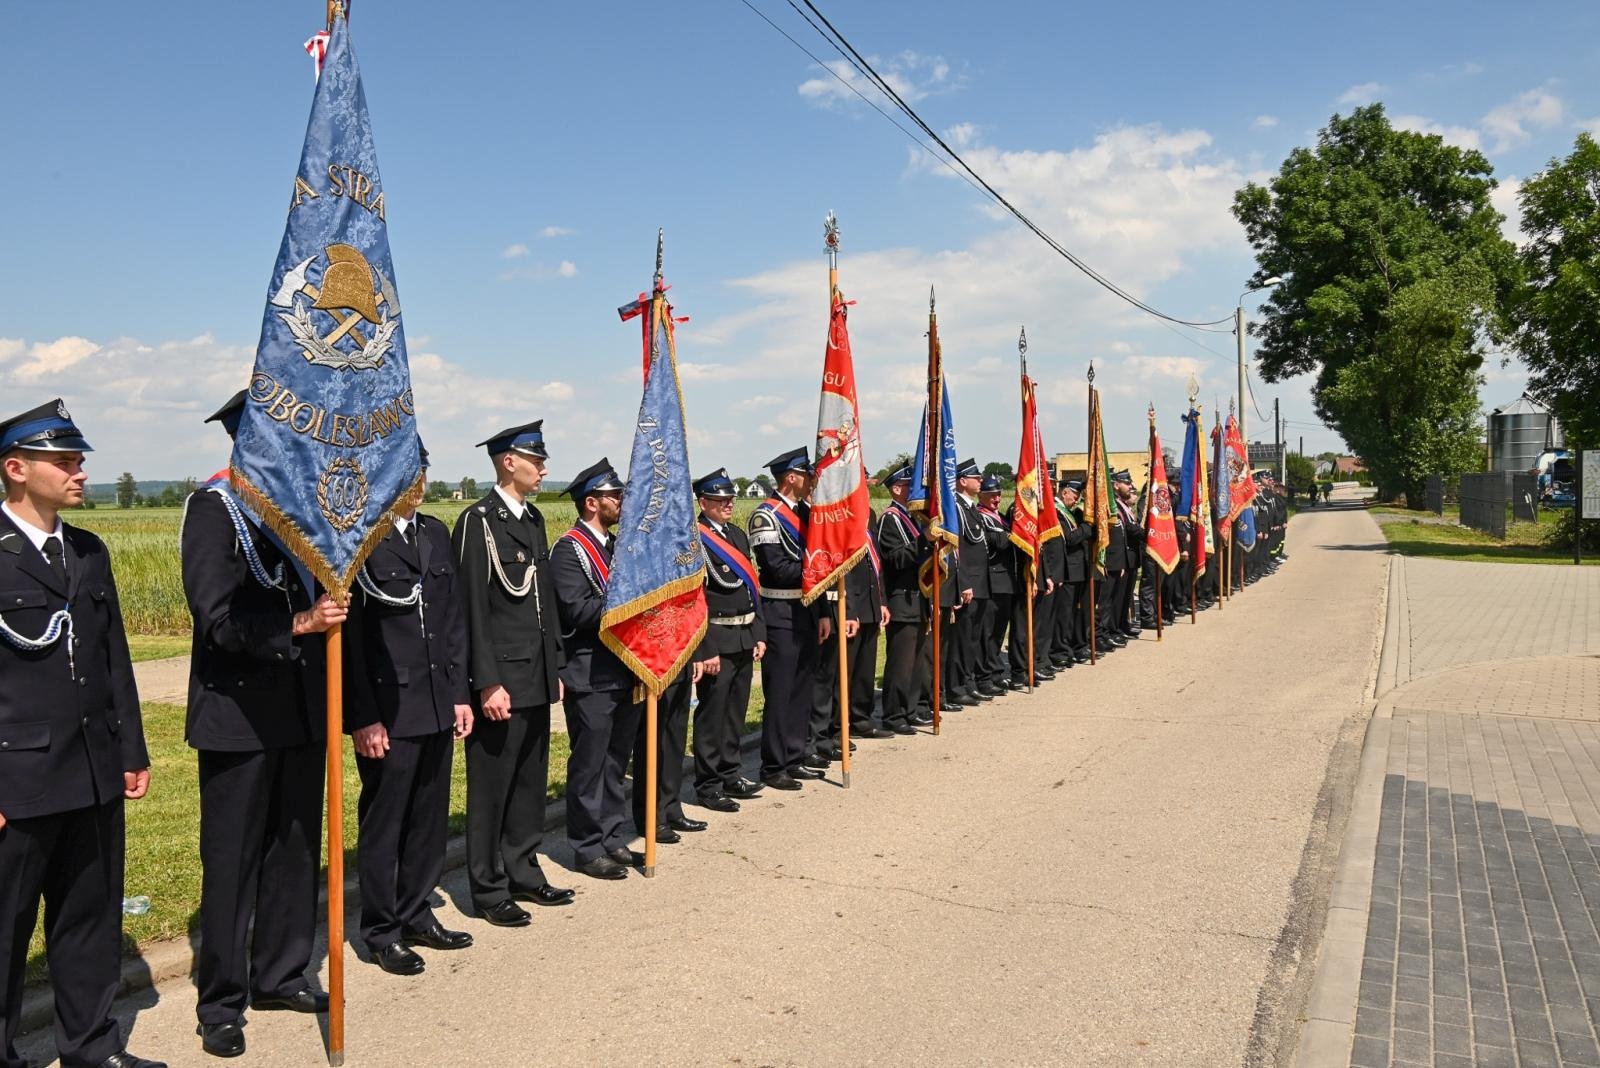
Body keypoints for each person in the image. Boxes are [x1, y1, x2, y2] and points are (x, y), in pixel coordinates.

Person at [0, 401, 163, 1068]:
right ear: (16, 469)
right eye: (63, 460)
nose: (79, 470)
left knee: (89, 921)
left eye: (78, 459)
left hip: (93, 770)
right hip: (20, 779)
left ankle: (92, 1047)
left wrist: (131, 751)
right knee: (5, 931)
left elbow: (112, 660)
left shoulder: (88, 551)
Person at [181, 393, 337, 1058]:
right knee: (233, 863)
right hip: (238, 717)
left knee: (294, 853)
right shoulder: (214, 509)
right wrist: (298, 624)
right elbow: (216, 616)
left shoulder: (296, 515)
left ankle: (281, 972)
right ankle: (222, 1001)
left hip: (299, 713)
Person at [343, 442, 475, 978]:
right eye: (406, 472)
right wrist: (363, 716)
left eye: (421, 470)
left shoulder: (434, 534)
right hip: (390, 708)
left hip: (438, 700)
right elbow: (351, 641)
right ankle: (381, 930)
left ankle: (418, 912)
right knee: (385, 822)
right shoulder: (360, 541)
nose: (417, 481)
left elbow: (453, 622)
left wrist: (461, 693)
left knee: (428, 818)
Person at [452, 421, 569, 928]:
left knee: (528, 781)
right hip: (501, 679)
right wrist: (485, 681)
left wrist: (555, 665)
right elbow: (472, 609)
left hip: (536, 675)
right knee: (492, 787)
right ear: (508, 462)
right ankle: (488, 886)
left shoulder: (535, 518)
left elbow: (544, 604)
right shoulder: (478, 523)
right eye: (534, 459)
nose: (543, 467)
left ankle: (523, 868)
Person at [551, 459, 643, 879]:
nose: (621, 501)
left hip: (623, 668)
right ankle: (587, 848)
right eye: (614, 496)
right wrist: (628, 606)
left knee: (614, 760)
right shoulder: (569, 549)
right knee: (589, 763)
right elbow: (576, 611)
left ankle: (610, 835)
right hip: (590, 671)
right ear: (592, 502)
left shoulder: (614, 546)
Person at [749, 448, 830, 789]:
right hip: (781, 613)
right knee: (780, 693)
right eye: (808, 475)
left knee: (802, 690)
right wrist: (817, 568)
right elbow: (777, 569)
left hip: (809, 611)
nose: (813, 481)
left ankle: (795, 756)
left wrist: (824, 612)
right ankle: (773, 764)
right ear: (792, 478)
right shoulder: (765, 516)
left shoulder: (808, 513)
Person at [690, 470, 767, 810]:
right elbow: (694, 600)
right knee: (712, 715)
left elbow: (752, 587)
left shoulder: (736, 535)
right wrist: (705, 649)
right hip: (716, 638)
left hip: (743, 633)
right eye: (720, 500)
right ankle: (708, 784)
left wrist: (758, 633)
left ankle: (731, 772)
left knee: (735, 711)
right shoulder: (694, 539)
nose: (728, 505)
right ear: (703, 502)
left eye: (730, 499)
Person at [876, 468, 932, 734]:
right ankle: (894, 714)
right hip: (901, 599)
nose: (915, 491)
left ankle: (910, 709)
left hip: (918, 598)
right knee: (901, 662)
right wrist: (923, 541)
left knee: (917, 660)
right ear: (896, 489)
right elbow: (895, 559)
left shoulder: (913, 517)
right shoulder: (890, 519)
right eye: (909, 486)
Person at [950, 459, 991, 705]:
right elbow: (957, 550)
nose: (981, 481)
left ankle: (968, 681)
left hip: (981, 582)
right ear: (963, 481)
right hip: (969, 584)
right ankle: (956, 687)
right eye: (976, 477)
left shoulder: (971, 508)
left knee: (974, 638)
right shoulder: (956, 508)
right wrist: (963, 582)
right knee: (962, 638)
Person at [975, 475, 1013, 695]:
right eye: (992, 495)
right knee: (987, 633)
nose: (997, 499)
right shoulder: (982, 516)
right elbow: (998, 542)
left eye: (999, 494)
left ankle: (995, 672)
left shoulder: (999, 518)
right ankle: (984, 676)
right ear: (982, 496)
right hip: (992, 580)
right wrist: (1016, 534)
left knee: (998, 632)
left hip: (1005, 581)